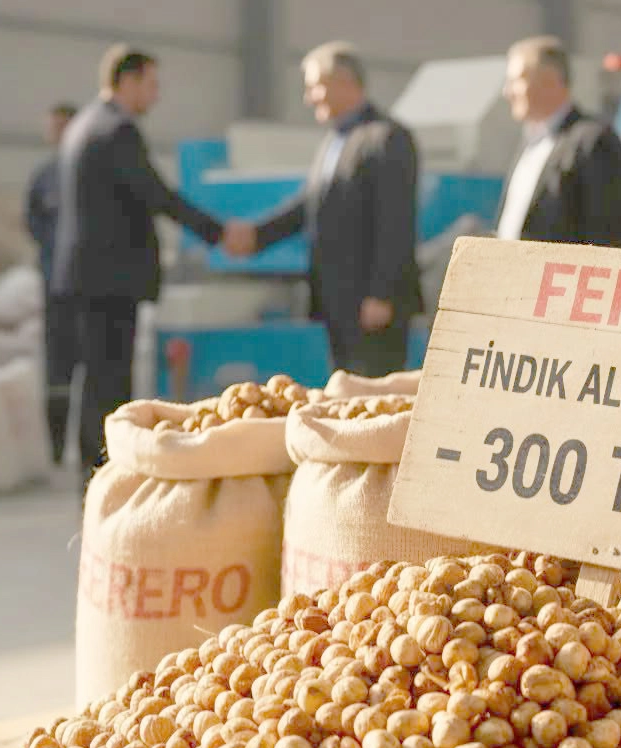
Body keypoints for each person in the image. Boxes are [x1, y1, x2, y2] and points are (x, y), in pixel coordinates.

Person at [54, 45, 224, 492]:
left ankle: (92, 474)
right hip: (110, 280)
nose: (156, 95)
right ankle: (105, 473)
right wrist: (218, 232)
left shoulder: (83, 125)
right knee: (110, 383)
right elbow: (156, 194)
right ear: (127, 81)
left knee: (95, 378)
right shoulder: (117, 130)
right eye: (151, 84)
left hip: (89, 277)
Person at [223, 42, 420, 378]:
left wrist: (381, 294)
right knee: (343, 391)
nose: (309, 98)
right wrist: (256, 236)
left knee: (374, 394)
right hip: (338, 302)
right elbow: (311, 205)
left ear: (344, 82)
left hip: (371, 306)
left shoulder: (386, 138)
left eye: (315, 86)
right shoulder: (335, 141)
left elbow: (396, 222)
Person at [494, 35, 621, 247]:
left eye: (517, 80)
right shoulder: (530, 142)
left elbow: (605, 237)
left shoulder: (593, 141)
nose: (507, 92)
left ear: (550, 80)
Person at [25, 102, 78, 464]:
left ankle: (93, 444)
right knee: (57, 367)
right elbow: (33, 220)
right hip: (54, 283)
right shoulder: (43, 177)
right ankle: (56, 447)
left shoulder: (90, 172)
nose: (57, 133)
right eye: (53, 127)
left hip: (87, 285)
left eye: (64, 126)